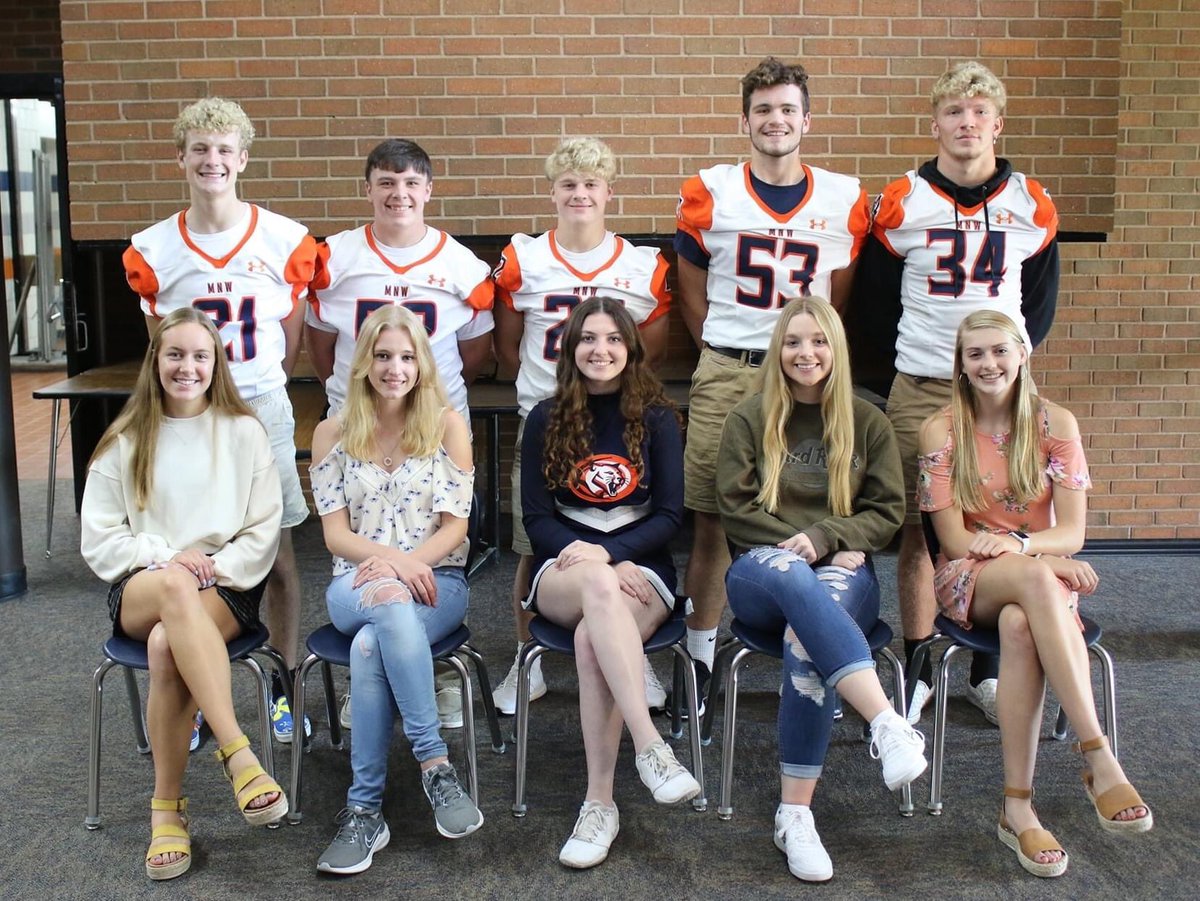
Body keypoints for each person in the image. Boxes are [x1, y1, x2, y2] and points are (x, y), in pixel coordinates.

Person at [850, 61, 1061, 725]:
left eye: (978, 113)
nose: (966, 124)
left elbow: (1040, 303)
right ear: (935, 122)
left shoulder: (1032, 201)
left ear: (996, 123)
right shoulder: (901, 200)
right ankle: (919, 663)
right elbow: (875, 306)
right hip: (920, 383)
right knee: (920, 530)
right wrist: (902, 377)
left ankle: (988, 666)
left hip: (999, 387)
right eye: (953, 112)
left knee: (1000, 523)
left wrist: (1007, 370)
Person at [918, 311, 1152, 878]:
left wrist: (1023, 545)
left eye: (999, 350)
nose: (988, 364)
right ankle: (1097, 754)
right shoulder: (941, 429)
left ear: (1023, 353)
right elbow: (952, 539)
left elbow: (1073, 532)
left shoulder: (1056, 424)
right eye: (975, 354)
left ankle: (1017, 808)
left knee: (1023, 624)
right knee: (1037, 580)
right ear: (961, 363)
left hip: (1032, 575)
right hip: (967, 577)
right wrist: (1038, 557)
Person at [123, 97, 318, 745]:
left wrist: (252, 390)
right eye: (200, 148)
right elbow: (163, 345)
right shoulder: (153, 247)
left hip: (260, 405)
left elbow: (288, 343)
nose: (213, 160)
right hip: (191, 415)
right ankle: (207, 693)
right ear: (180, 157)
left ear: (243, 158)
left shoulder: (285, 238)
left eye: (225, 149)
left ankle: (286, 687)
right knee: (200, 555)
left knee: (281, 553)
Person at [675, 57, 870, 701]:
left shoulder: (845, 198)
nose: (775, 120)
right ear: (745, 121)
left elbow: (836, 300)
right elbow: (692, 292)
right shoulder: (711, 189)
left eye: (787, 109)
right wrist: (729, 352)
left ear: (806, 120)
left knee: (815, 508)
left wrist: (808, 358)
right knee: (709, 516)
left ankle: (815, 646)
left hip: (809, 372)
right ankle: (699, 658)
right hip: (732, 366)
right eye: (763, 110)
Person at [715, 296, 926, 882]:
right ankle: (886, 719)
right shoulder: (747, 418)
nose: (805, 353)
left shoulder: (869, 421)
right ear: (777, 350)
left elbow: (887, 511)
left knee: (807, 636)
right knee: (792, 575)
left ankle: (795, 815)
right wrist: (811, 543)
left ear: (836, 349)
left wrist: (828, 536)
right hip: (760, 571)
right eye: (793, 341)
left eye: (818, 341)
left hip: (842, 574)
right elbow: (734, 510)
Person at [80, 308, 288, 881]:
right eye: (175, 354)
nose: (187, 367)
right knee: (171, 588)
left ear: (215, 362)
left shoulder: (244, 431)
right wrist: (166, 557)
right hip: (142, 584)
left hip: (225, 587)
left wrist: (209, 567)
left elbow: (262, 531)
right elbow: (99, 543)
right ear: (155, 361)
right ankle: (238, 752)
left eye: (200, 355)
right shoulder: (124, 439)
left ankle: (166, 813)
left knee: (169, 643)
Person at [306, 138, 495, 732]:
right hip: (358, 426)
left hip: (433, 426)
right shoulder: (332, 258)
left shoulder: (462, 264)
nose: (399, 194)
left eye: (411, 183)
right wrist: (358, 400)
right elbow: (317, 347)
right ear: (368, 188)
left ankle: (423, 676)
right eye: (386, 182)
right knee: (367, 549)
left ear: (429, 190)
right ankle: (406, 697)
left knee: (433, 543)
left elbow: (479, 350)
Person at [493, 136, 672, 717]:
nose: (579, 193)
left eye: (591, 184)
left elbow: (654, 350)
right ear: (553, 191)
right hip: (546, 417)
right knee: (532, 543)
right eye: (568, 183)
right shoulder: (525, 258)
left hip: (618, 418)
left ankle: (633, 650)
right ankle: (529, 660)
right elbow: (505, 342)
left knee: (631, 523)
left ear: (609, 193)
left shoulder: (640, 264)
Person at [520, 297, 699, 869]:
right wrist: (596, 559)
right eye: (588, 339)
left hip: (640, 570)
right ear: (571, 349)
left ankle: (599, 803)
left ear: (631, 348)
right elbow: (535, 518)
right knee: (597, 587)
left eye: (614, 339)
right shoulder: (544, 418)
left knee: (589, 639)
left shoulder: (659, 419)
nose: (601, 350)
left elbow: (672, 516)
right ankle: (650, 745)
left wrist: (615, 553)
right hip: (566, 571)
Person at [309, 305, 482, 875]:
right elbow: (335, 535)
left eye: (407, 357)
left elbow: (455, 527)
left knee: (367, 648)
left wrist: (407, 567)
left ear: (422, 365)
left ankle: (363, 810)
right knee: (383, 603)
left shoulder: (448, 426)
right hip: (352, 586)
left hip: (439, 581)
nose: (394, 368)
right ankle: (436, 766)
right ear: (363, 363)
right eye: (383, 356)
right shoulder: (331, 433)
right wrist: (389, 566)